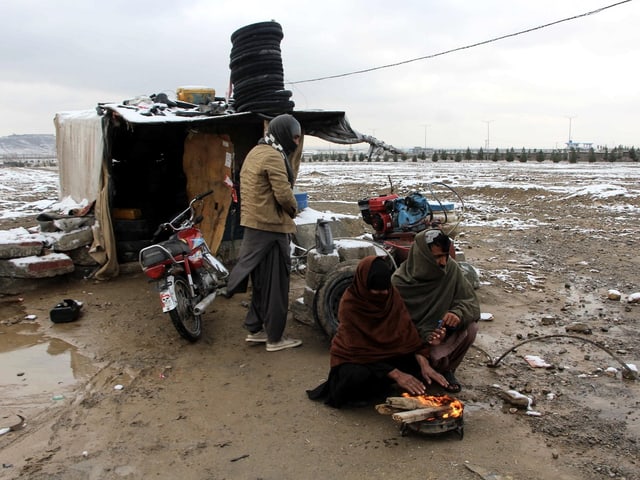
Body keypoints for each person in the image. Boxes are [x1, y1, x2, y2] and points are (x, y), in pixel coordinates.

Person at [307, 256, 434, 408]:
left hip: (387, 354)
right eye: (376, 292)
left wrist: (424, 363)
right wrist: (396, 374)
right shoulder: (351, 304)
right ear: (365, 286)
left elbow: (408, 335)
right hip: (357, 358)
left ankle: (386, 384)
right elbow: (358, 350)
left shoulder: (392, 297)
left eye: (385, 290)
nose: (383, 295)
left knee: (417, 364)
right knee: (356, 376)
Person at [225, 114, 303, 352]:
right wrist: (293, 210)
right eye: (295, 136)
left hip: (254, 224)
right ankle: (275, 338)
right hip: (272, 227)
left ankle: (256, 330)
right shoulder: (273, 156)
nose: (297, 142)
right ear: (283, 133)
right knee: (277, 285)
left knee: (261, 282)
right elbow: (283, 194)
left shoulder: (256, 151)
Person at [391, 228, 480, 393]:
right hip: (411, 343)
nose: (443, 262)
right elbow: (395, 326)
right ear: (423, 256)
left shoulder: (450, 269)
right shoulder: (400, 282)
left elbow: (471, 303)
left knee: (471, 328)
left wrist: (457, 314)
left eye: (445, 255)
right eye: (437, 257)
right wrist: (424, 338)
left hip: (441, 333)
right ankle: (417, 370)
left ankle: (447, 370)